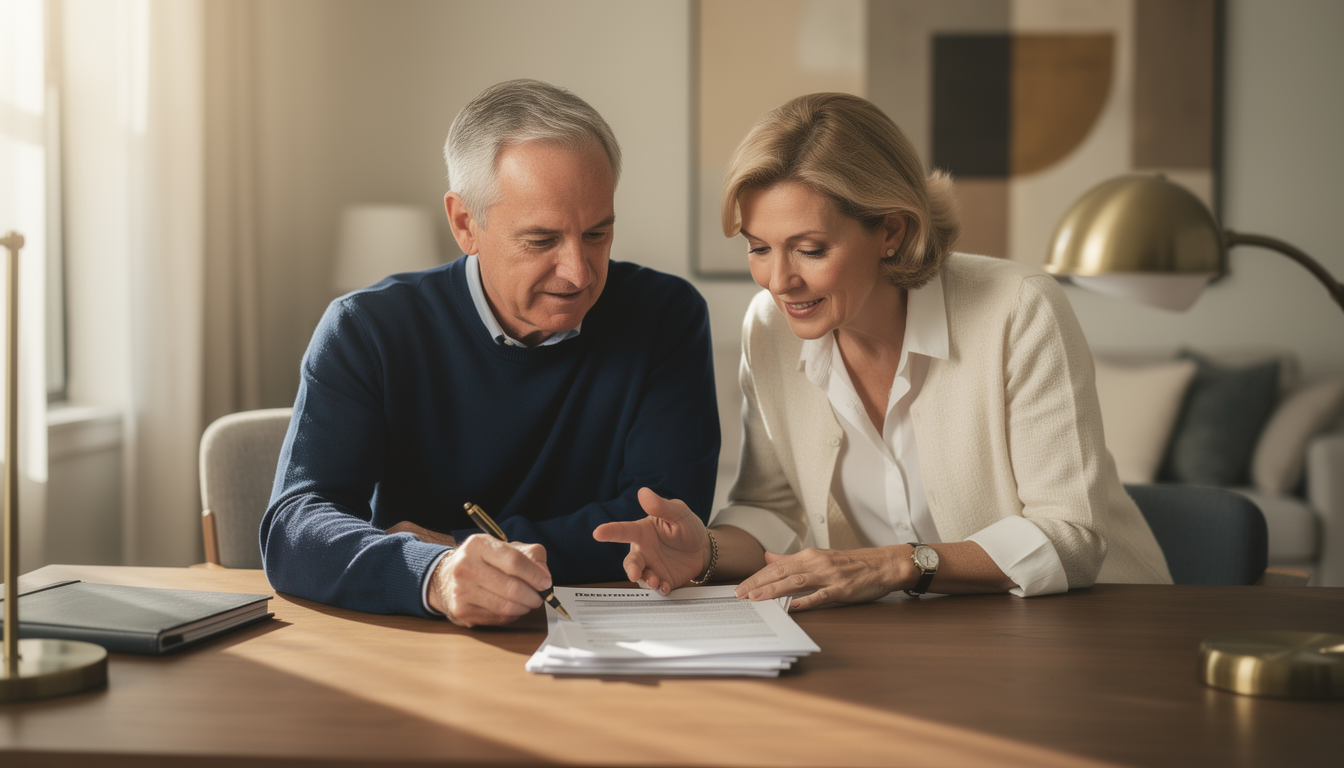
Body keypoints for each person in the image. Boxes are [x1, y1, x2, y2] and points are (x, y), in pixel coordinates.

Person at [595, 93, 1171, 608]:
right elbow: (771, 508)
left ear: (891, 231)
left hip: (1097, 623)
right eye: (759, 248)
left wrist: (900, 564)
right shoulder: (769, 327)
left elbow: (1073, 536)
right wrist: (707, 550)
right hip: (921, 641)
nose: (778, 280)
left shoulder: (1018, 309)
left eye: (810, 249)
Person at [262, 79, 719, 626]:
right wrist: (434, 574)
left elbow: (661, 530)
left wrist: (456, 546)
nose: (578, 273)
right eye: (541, 240)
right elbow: (294, 528)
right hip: (419, 645)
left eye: (597, 234)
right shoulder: (366, 329)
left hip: (615, 637)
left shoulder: (667, 316)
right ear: (464, 224)